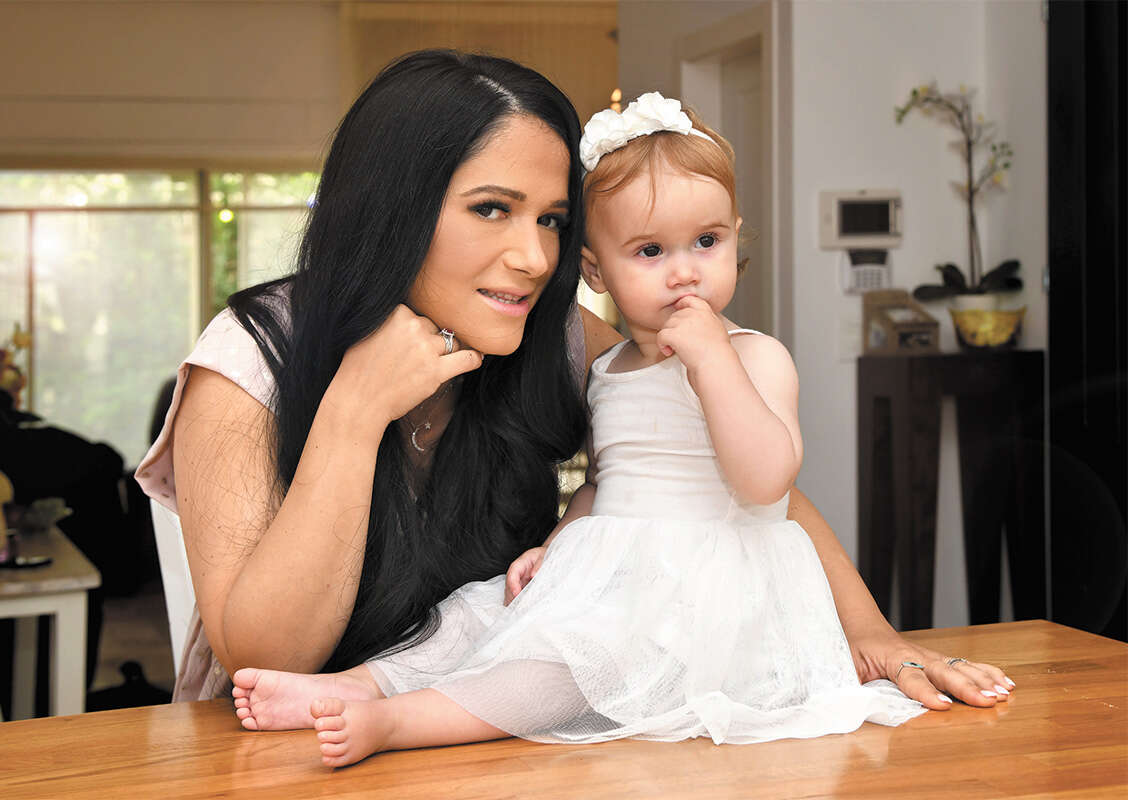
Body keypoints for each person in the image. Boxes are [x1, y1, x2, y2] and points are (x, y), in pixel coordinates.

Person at [136, 50, 1010, 733]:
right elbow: (267, 656)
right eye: (491, 208)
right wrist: (355, 410)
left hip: (494, 732)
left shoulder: (550, 333)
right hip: (271, 752)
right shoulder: (253, 358)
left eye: (552, 220)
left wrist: (872, 636)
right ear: (391, 208)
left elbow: (722, 480)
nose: (534, 258)